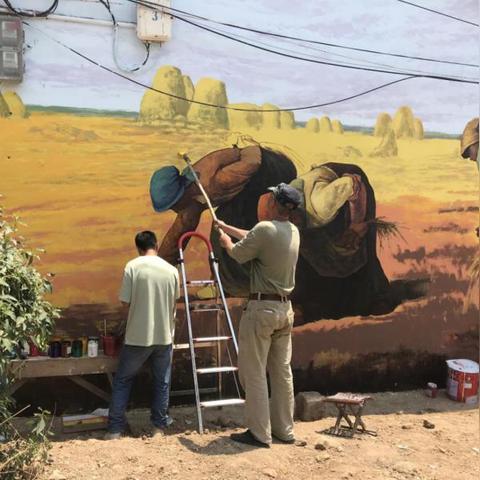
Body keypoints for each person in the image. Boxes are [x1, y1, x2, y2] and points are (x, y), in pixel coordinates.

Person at [218, 183, 301, 448]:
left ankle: (259, 433)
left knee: (253, 372)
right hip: (284, 310)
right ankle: (284, 430)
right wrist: (228, 226)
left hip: (261, 311)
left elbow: (240, 253)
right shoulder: (292, 231)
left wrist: (227, 242)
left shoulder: (265, 230)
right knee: (281, 373)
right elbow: (258, 238)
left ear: (275, 204)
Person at [149, 145, 297, 265]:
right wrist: (158, 268)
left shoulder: (219, 179)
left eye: (173, 204)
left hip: (269, 169)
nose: (173, 209)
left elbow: (253, 160)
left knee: (241, 220)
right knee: (219, 232)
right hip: (242, 186)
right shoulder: (189, 203)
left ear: (182, 194)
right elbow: (176, 236)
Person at [105, 231, 179, 439]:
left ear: (138, 248)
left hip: (138, 336)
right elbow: (174, 301)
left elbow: (125, 302)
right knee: (161, 382)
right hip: (164, 337)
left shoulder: (133, 267)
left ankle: (115, 430)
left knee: (123, 381)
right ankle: (158, 428)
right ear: (155, 244)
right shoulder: (171, 270)